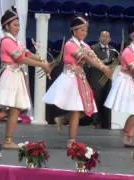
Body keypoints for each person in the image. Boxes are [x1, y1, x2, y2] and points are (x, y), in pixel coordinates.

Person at [43, 16, 113, 147]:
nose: (84, 33)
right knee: (76, 110)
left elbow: (94, 57)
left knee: (88, 109)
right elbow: (85, 57)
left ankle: (63, 119)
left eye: (86, 30)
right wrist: (103, 68)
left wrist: (104, 66)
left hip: (80, 79)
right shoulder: (70, 45)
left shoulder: (85, 45)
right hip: (70, 79)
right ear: (74, 31)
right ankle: (71, 141)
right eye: (81, 30)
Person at [0, 7, 52, 149]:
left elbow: (28, 53)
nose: (18, 28)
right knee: (16, 108)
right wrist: (41, 65)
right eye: (15, 25)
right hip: (10, 75)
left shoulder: (16, 42)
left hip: (16, 76)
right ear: (6, 26)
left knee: (19, 108)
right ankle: (6, 138)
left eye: (18, 25)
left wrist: (43, 61)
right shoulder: (7, 41)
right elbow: (21, 59)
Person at [89, 31, 117, 129]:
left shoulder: (113, 50)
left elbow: (115, 63)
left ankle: (107, 122)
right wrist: (103, 64)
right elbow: (90, 63)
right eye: (103, 36)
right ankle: (96, 122)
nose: (105, 38)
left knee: (107, 99)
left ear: (110, 39)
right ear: (99, 37)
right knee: (96, 100)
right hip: (96, 77)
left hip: (108, 78)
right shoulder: (93, 48)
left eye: (107, 36)